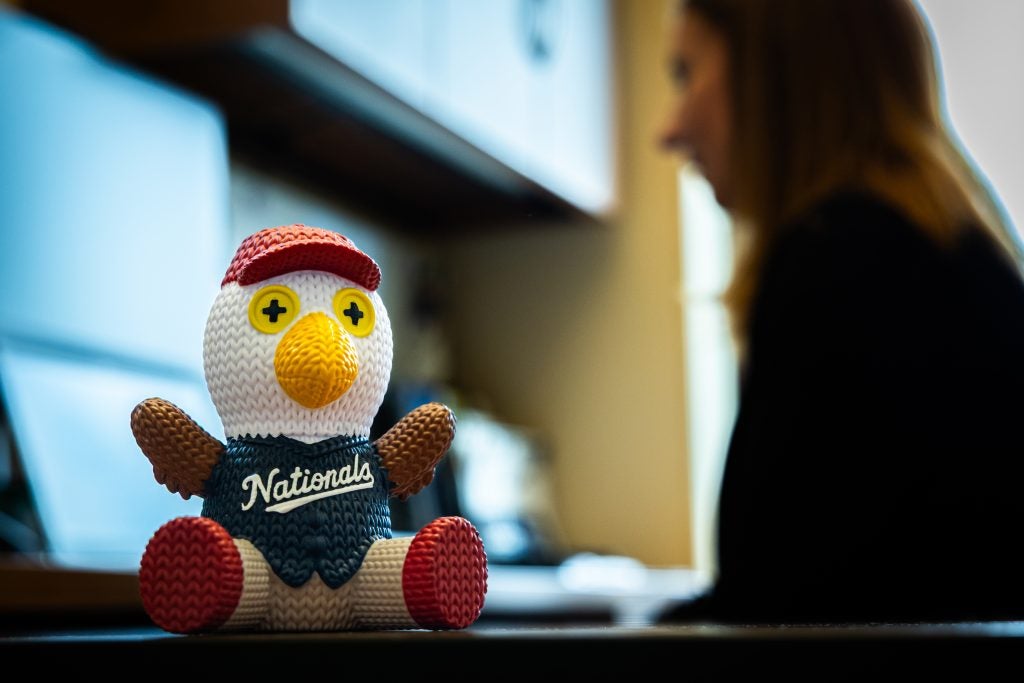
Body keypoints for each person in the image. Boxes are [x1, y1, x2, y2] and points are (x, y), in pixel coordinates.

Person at [657, 0, 1024, 624]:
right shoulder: (958, 251)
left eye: (687, 73)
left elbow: (772, 604)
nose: (669, 129)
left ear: (772, 75)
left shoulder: (834, 265)